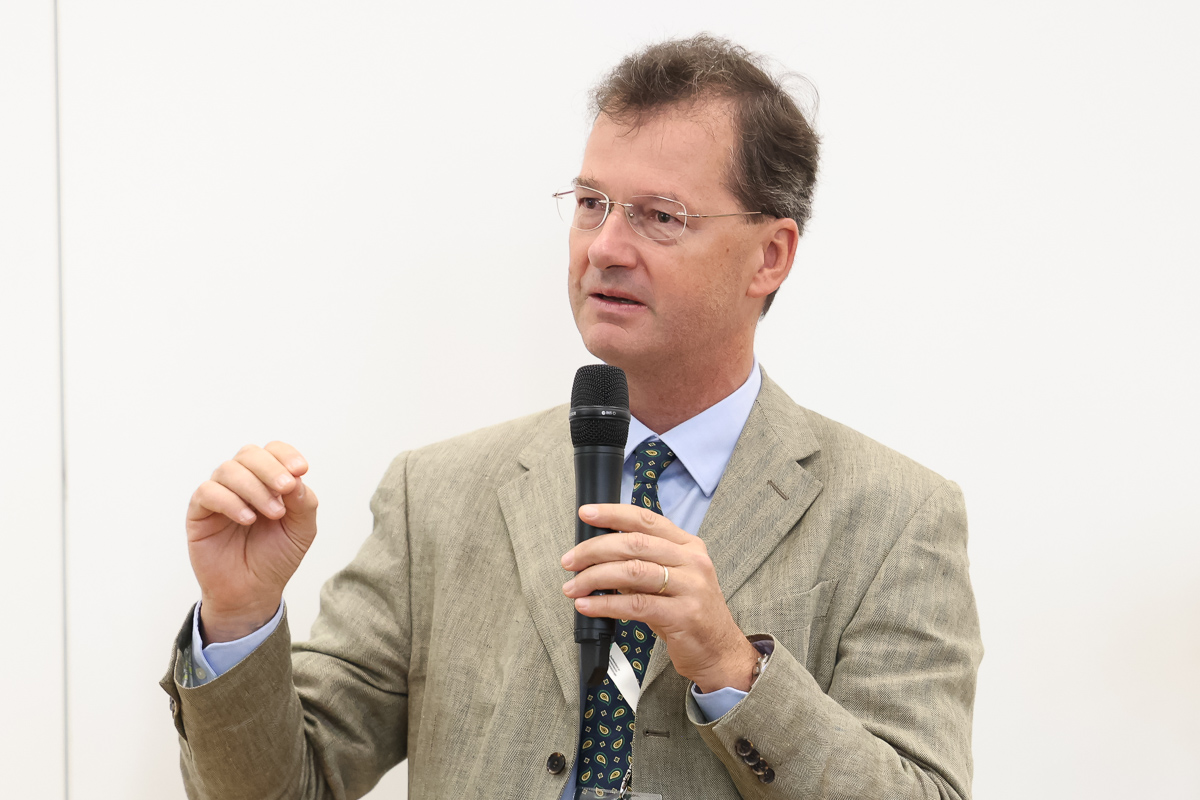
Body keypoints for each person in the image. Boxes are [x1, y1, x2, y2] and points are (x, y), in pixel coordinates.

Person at [162, 34, 983, 800]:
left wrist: (732, 667)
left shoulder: (897, 516)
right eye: (592, 203)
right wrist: (238, 617)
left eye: (661, 216)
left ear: (770, 256)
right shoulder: (436, 494)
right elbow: (283, 787)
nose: (604, 248)